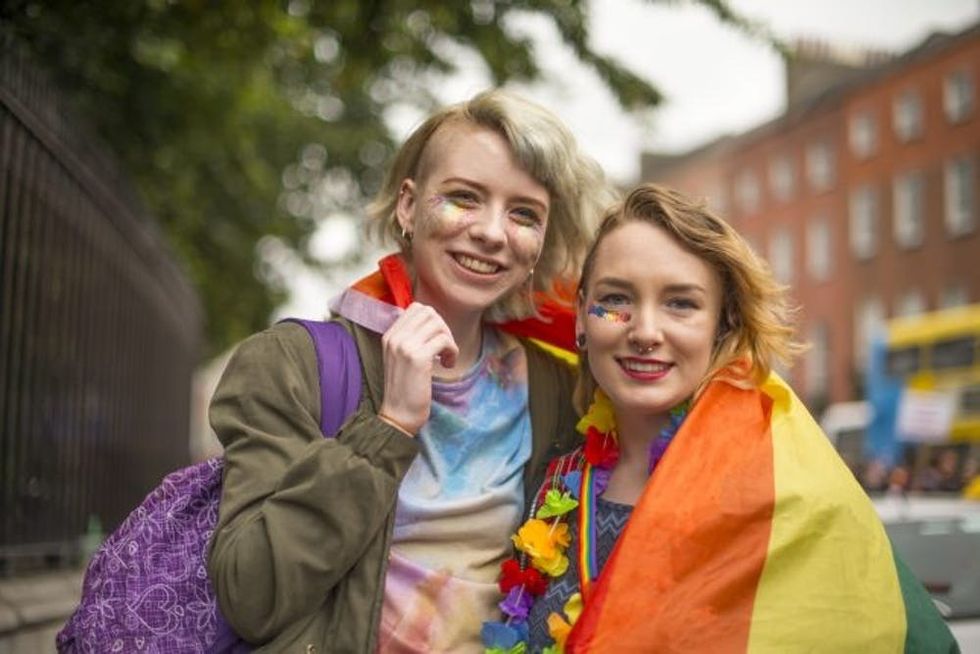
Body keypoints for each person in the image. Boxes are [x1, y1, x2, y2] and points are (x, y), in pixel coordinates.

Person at [207, 89, 616, 652]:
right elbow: (250, 594)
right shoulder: (292, 365)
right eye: (465, 198)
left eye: (524, 214)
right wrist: (390, 427)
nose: (493, 232)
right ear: (408, 206)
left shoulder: (560, 389)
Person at [484, 184, 957, 653]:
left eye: (681, 303)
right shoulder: (554, 479)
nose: (645, 331)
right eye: (617, 299)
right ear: (584, 316)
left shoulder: (777, 492)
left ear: (722, 324)